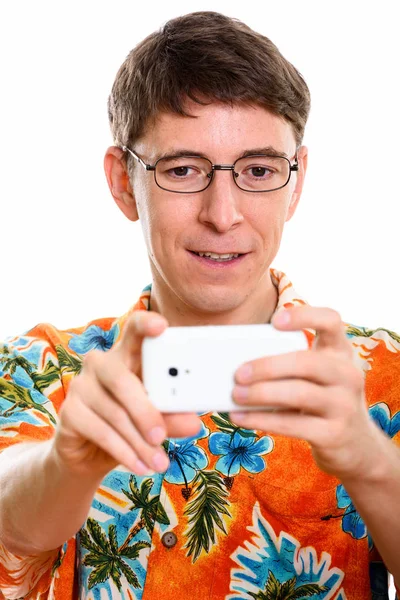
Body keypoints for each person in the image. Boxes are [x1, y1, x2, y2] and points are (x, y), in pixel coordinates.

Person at [0, 10, 399, 600]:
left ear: (297, 181)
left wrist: (372, 466)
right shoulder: (45, 367)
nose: (223, 214)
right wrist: (65, 465)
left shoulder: (381, 373)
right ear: (121, 182)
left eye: (259, 170)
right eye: (183, 169)